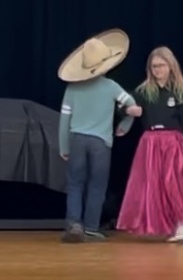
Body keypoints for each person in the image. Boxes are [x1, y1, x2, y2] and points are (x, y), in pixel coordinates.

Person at [56, 29, 142, 243]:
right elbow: (133, 106)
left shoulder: (72, 89)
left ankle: (74, 224)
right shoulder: (111, 87)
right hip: (101, 144)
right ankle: (92, 228)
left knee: (75, 183)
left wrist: (63, 146)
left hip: (76, 140)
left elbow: (64, 120)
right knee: (97, 185)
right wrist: (125, 124)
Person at [116, 47, 183, 243]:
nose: (157, 70)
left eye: (161, 66)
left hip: (173, 143)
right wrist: (128, 110)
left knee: (173, 183)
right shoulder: (144, 91)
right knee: (153, 185)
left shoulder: (179, 91)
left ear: (170, 66)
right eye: (154, 67)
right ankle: (165, 224)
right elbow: (123, 106)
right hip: (150, 143)